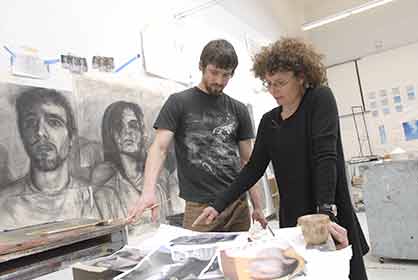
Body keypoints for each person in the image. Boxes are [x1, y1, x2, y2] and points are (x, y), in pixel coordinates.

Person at [193, 38, 369, 279]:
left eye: (281, 83)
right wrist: (218, 204)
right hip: (293, 216)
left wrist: (325, 211)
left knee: (339, 272)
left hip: (325, 210)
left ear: (301, 77)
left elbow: (326, 156)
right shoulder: (270, 121)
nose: (274, 90)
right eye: (269, 83)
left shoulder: (319, 99)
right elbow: (253, 168)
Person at [128, 39, 267, 231]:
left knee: (237, 259)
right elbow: (159, 148)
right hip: (199, 207)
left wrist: (258, 207)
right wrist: (148, 191)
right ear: (201, 66)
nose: (219, 80)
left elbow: (248, 162)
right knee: (197, 258)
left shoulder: (239, 109)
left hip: (237, 206)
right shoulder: (179, 103)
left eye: (226, 75)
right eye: (214, 72)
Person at [0, 87, 98, 229]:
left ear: (71, 137)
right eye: (30, 122)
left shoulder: (93, 196)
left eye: (53, 122)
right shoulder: (4, 204)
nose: (40, 132)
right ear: (22, 136)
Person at [92, 101, 169, 223]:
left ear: (142, 131)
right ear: (112, 135)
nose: (127, 132)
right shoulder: (105, 195)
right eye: (119, 127)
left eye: (133, 125)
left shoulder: (158, 186)